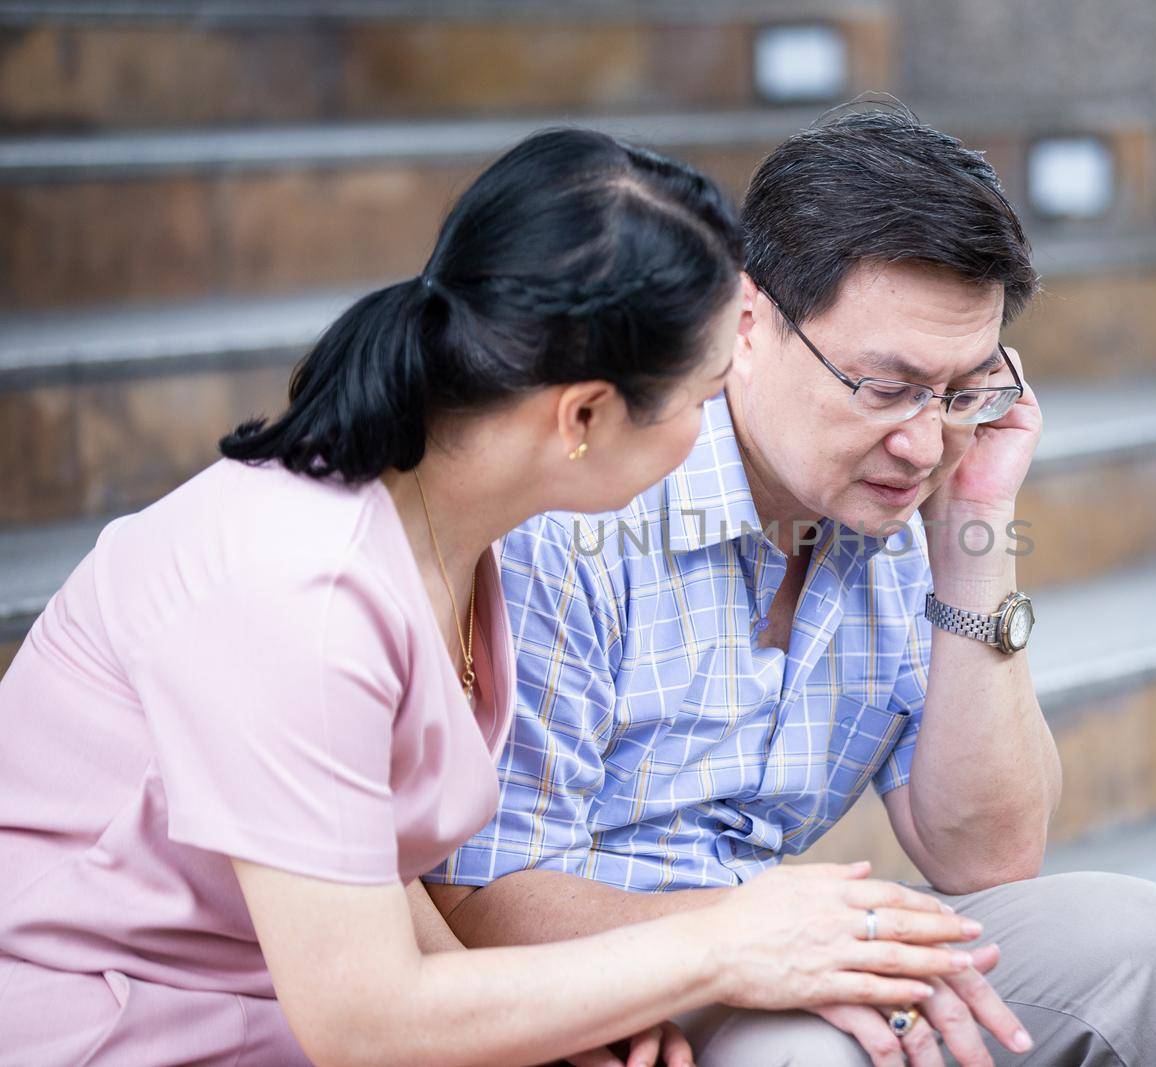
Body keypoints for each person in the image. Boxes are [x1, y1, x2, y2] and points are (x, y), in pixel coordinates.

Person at [0, 128, 984, 1067]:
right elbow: (364, 1019)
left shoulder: (448, 543)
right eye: (700, 397)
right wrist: (724, 941)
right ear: (585, 416)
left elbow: (383, 901)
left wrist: (567, 1015)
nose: (709, 430)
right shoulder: (300, 593)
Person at [424, 108, 1156, 1066]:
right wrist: (757, 938)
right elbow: (482, 894)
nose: (923, 441)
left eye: (962, 391)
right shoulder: (589, 503)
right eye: (885, 385)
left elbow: (984, 855)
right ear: (748, 325)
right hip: (612, 990)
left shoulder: (901, 505)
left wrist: (977, 531)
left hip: (796, 946)